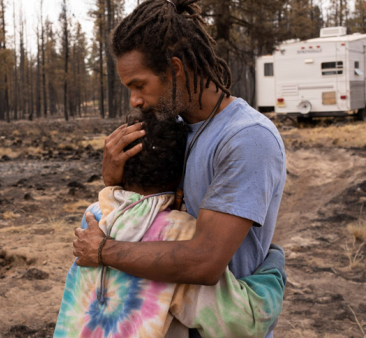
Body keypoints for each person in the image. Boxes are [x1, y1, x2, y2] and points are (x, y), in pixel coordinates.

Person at [72, 1, 287, 337]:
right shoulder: (172, 128)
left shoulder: (246, 139)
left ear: (176, 69)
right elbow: (148, 217)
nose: (134, 101)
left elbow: (205, 261)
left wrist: (102, 251)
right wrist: (114, 181)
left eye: (139, 85)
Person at [56, 114, 285, 338]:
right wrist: (272, 266)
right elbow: (241, 324)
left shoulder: (94, 216)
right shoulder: (179, 235)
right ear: (183, 178)